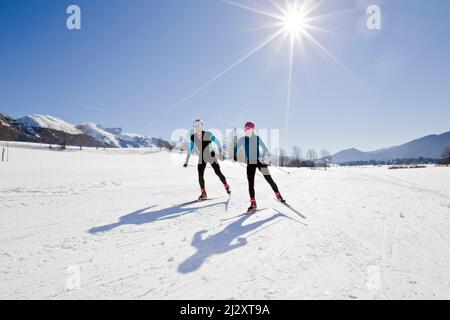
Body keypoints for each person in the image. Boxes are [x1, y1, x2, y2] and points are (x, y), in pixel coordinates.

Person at [234, 121, 285, 213]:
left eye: (249, 129)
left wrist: (262, 157)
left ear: (252, 129)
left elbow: (265, 149)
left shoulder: (257, 138)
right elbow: (236, 148)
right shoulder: (242, 139)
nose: (247, 130)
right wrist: (234, 155)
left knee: (269, 178)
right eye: (246, 129)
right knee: (250, 183)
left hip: (259, 161)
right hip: (250, 163)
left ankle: (278, 195)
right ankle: (253, 204)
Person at [184, 119, 231, 200]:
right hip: (202, 157)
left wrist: (219, 151)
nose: (197, 127)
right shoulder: (193, 137)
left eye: (199, 125)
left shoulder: (208, 134)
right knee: (200, 174)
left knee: (218, 172)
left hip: (211, 155)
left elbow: (216, 141)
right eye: (195, 126)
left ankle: (226, 186)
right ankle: (203, 193)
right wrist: (186, 161)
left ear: (202, 126)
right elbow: (190, 148)